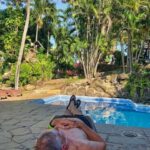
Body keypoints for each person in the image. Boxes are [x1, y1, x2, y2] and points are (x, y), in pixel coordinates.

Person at [35, 95, 106, 150]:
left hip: (61, 120)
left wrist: (55, 123)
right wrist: (81, 125)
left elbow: (50, 127)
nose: (58, 129)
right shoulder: (81, 145)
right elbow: (102, 144)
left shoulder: (44, 145)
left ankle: (71, 106)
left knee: (65, 115)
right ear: (64, 147)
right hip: (78, 122)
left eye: (55, 129)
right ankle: (73, 106)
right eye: (59, 133)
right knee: (78, 113)